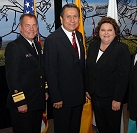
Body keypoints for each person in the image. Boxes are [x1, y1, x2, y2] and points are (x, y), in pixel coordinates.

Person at [44, 3, 85, 133]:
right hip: (62, 98)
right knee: (63, 128)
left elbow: (80, 66)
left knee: (74, 128)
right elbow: (51, 70)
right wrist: (56, 97)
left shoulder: (79, 36)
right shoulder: (53, 40)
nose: (72, 20)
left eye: (75, 16)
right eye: (68, 17)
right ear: (61, 19)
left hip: (78, 95)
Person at [86, 16, 131, 133]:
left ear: (115, 32)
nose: (106, 33)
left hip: (112, 98)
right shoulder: (93, 46)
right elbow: (89, 69)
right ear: (98, 32)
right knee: (101, 125)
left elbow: (124, 76)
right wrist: (88, 88)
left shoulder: (121, 49)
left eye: (109, 30)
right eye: (103, 30)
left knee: (112, 127)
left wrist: (117, 99)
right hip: (95, 95)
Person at [5, 14, 48, 133]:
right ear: (20, 27)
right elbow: (12, 77)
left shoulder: (37, 45)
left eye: (34, 25)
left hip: (37, 101)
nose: (32, 29)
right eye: (27, 25)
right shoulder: (15, 47)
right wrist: (20, 102)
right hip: (24, 103)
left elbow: (41, 70)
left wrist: (45, 90)